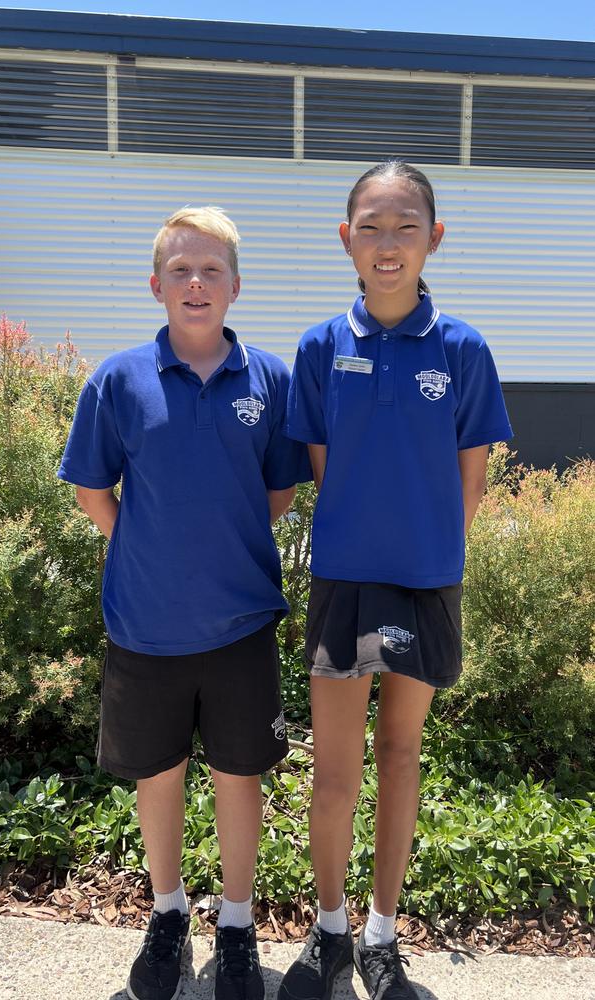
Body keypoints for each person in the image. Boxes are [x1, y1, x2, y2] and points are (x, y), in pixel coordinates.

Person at [58, 206, 310, 1000]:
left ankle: (235, 921)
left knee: (241, 777)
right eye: (180, 270)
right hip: (145, 626)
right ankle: (167, 913)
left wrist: (214, 545)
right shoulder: (118, 379)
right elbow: (92, 490)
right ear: (156, 284)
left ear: (236, 285)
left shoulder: (269, 379)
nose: (195, 283)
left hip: (239, 626)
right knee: (158, 775)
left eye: (210, 270)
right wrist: (147, 544)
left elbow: (277, 491)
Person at [278, 161, 512, 1000]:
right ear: (347, 240)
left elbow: (470, 481)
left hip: (424, 585)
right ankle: (330, 931)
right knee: (335, 770)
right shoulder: (318, 347)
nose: (387, 243)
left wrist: (427, 553)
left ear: (433, 239)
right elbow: (322, 468)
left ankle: (382, 937)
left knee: (401, 755)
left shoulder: (464, 349)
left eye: (404, 225)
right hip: (344, 583)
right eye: (370, 227)